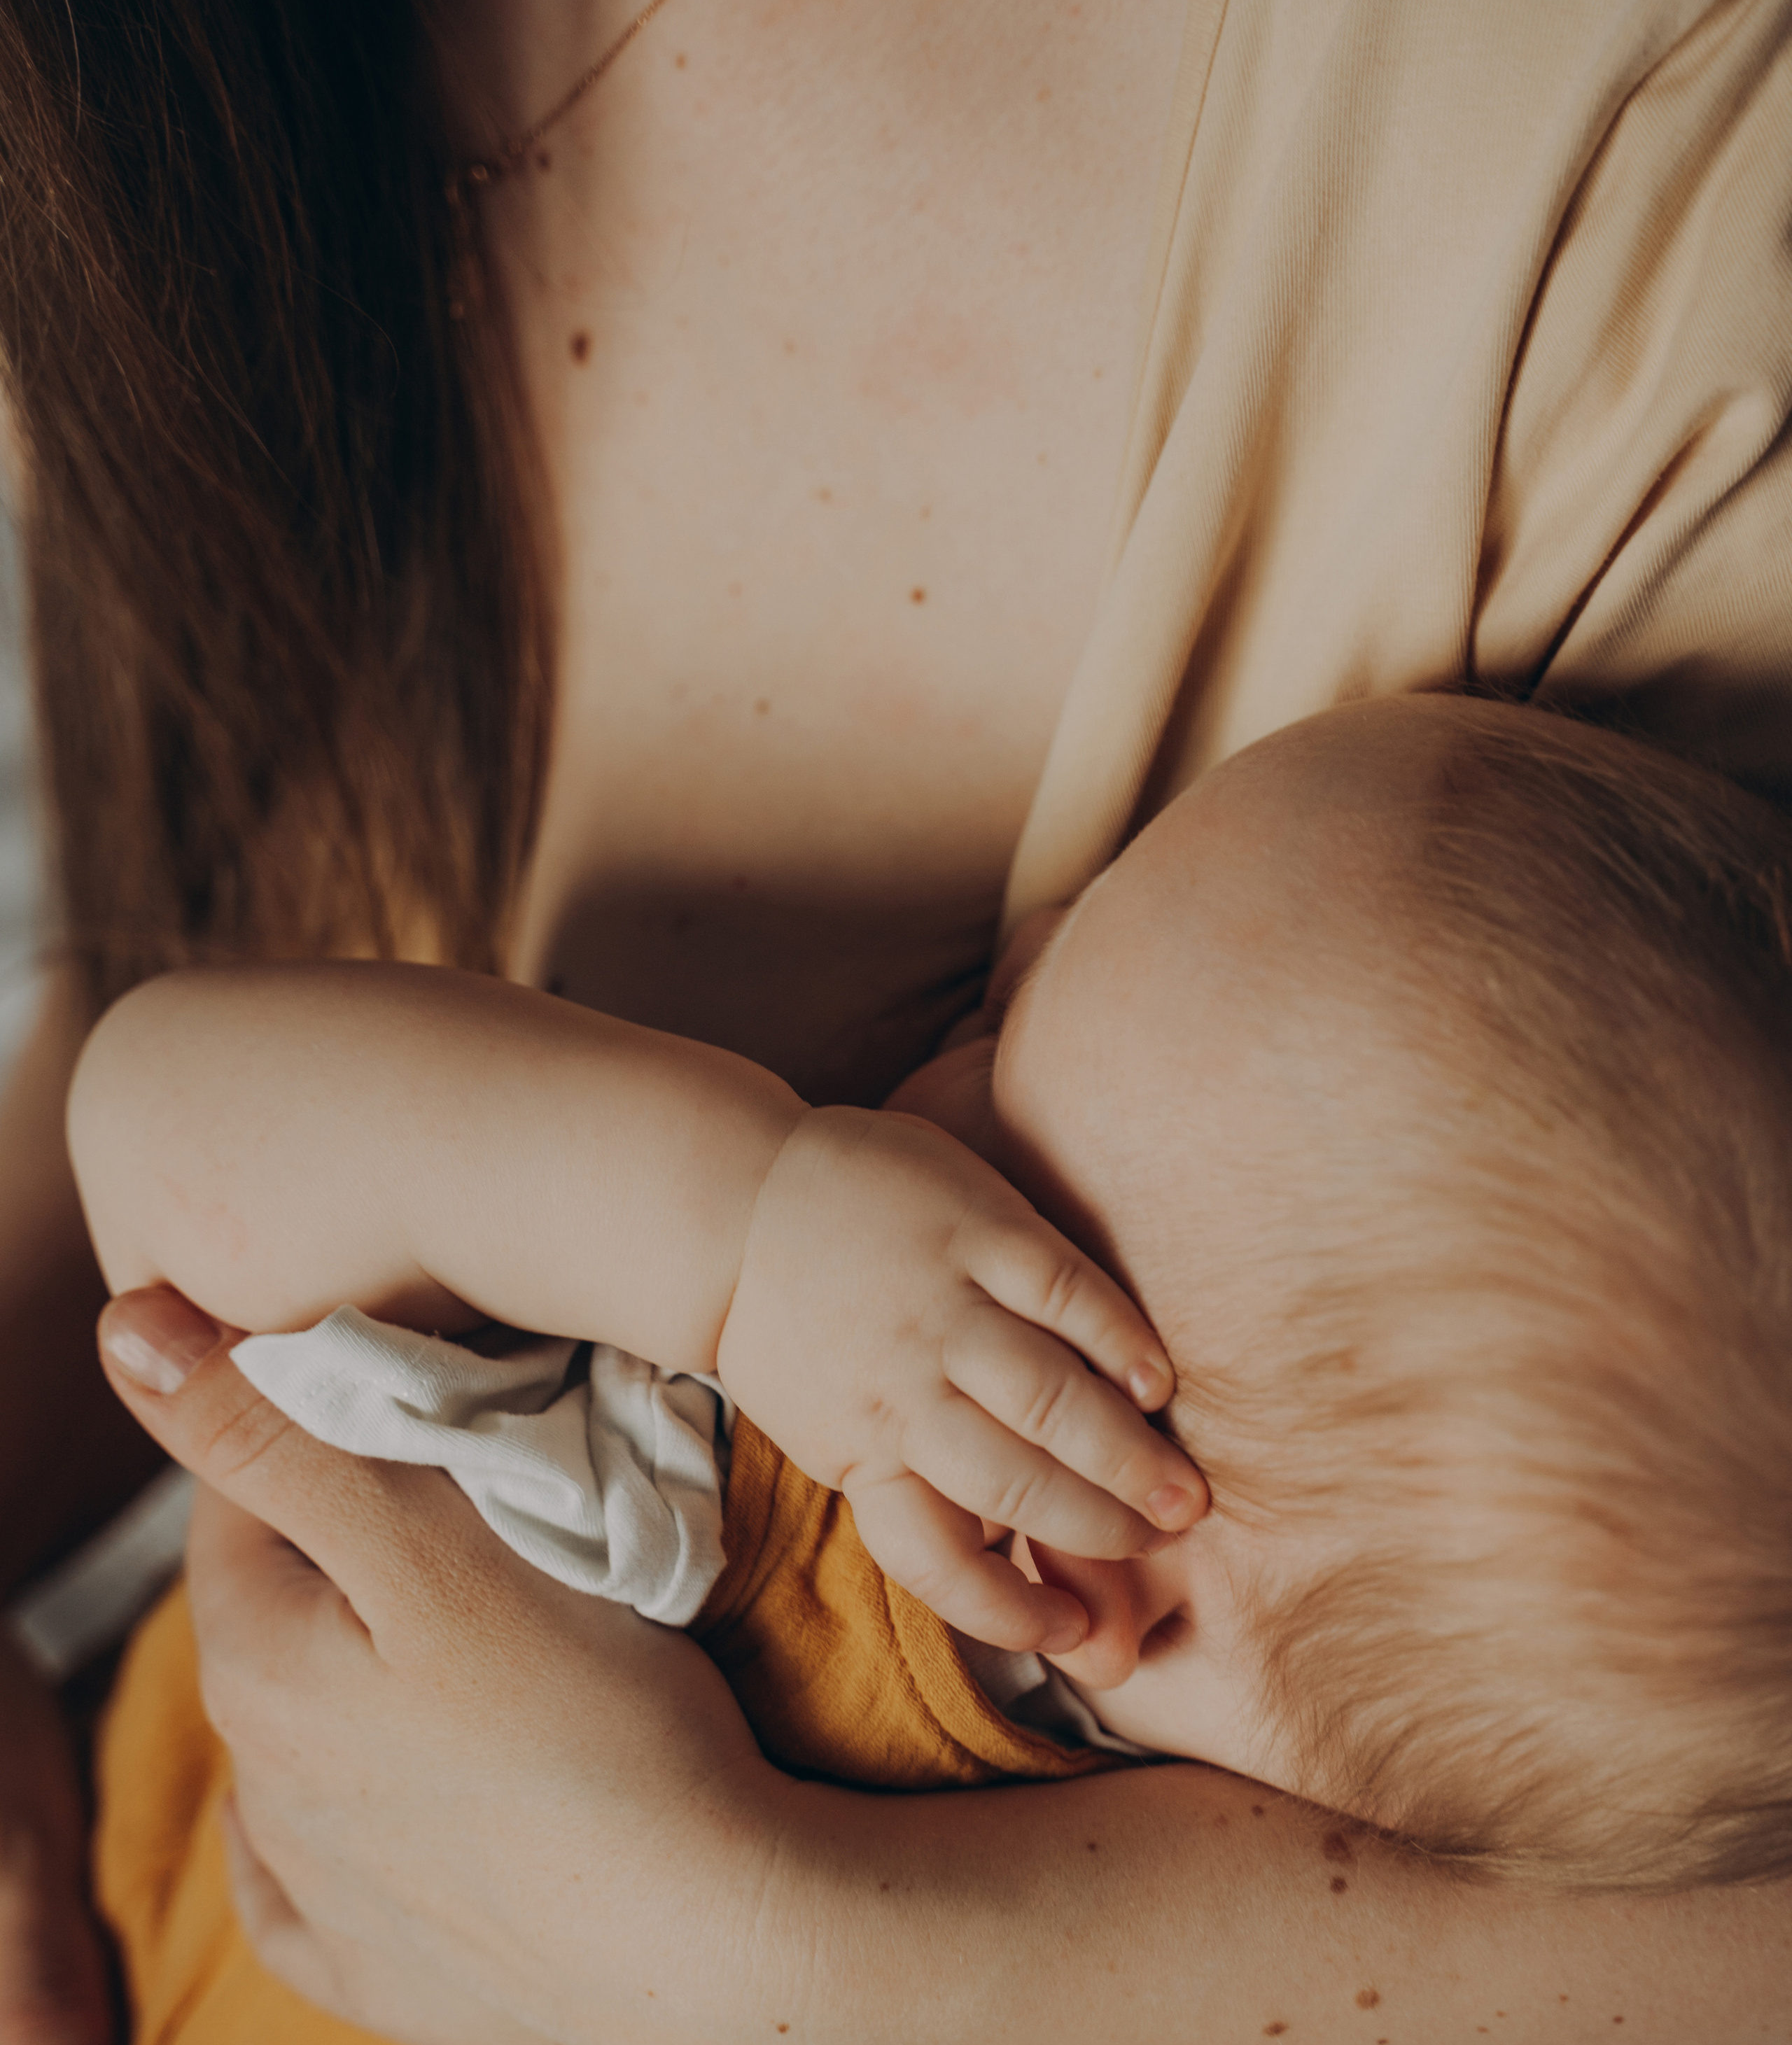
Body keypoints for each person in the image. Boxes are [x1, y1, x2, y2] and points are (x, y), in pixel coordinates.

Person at [4, 0, 1792, 2045]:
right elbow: (155, 1062)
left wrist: (844, 1967)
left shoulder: (715, 1499)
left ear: (1098, 1568)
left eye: (989, 1038)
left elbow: (199, 1123)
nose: (918, 1032)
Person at [67, 697, 1792, 1885]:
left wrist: (735, 1249)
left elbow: (159, 1140)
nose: (1019, 931)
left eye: (1002, 1048)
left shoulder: (716, 1515)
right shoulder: (1200, 1916)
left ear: (1056, 1528)